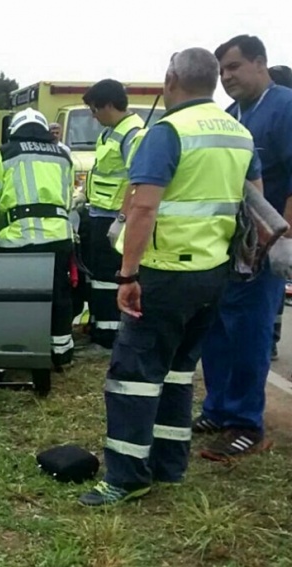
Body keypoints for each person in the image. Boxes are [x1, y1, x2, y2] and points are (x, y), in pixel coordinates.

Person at [79, 47, 260, 506]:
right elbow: (253, 203)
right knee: (179, 372)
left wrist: (127, 275)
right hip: (212, 273)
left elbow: (143, 206)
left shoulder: (168, 131)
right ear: (214, 81)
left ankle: (126, 475)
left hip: (163, 274)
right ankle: (168, 464)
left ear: (171, 80)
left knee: (133, 377)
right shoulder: (240, 133)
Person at [196, 35, 292, 460]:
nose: (226, 77)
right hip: (229, 245)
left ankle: (245, 423)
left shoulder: (285, 107)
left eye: (233, 67)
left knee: (250, 332)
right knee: (217, 328)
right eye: (221, 71)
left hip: (267, 244)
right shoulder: (232, 115)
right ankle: (218, 408)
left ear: (260, 62)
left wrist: (285, 239)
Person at [0, 109, 75, 369]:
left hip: (18, 237)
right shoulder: (63, 154)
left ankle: (4, 356)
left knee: (10, 298)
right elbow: (68, 199)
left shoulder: (6, 152)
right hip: (58, 235)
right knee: (59, 293)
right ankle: (60, 353)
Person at [82, 80, 145, 351]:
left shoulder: (134, 134)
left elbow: (138, 181)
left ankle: (110, 337)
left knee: (110, 276)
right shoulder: (110, 132)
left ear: (109, 105)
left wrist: (122, 219)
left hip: (114, 217)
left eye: (95, 110)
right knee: (98, 275)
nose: (93, 116)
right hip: (98, 213)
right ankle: (99, 326)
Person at [268, 64, 292, 360]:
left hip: (279, 223)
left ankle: (270, 339)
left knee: (273, 283)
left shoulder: (283, 116)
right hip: (275, 222)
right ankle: (270, 338)